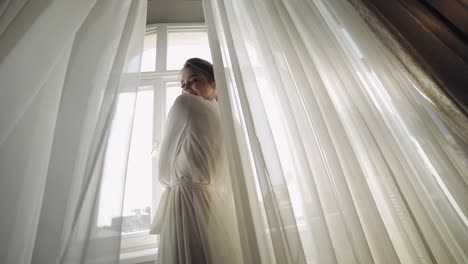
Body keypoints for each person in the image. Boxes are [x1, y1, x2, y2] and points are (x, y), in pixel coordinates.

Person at [150, 58, 242, 264]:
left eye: (193, 81)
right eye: (182, 85)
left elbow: (164, 170)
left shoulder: (185, 103)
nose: (187, 89)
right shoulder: (230, 119)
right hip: (217, 204)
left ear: (214, 83)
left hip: (186, 198)